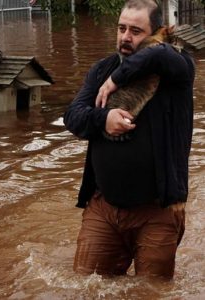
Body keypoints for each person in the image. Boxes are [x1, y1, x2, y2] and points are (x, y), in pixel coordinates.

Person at [63, 0, 195, 279]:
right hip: (104, 207)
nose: (125, 37)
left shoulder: (177, 70)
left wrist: (116, 80)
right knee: (84, 287)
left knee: (151, 292)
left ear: (158, 34)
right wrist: (104, 119)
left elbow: (159, 56)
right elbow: (73, 117)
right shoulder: (101, 69)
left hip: (157, 211)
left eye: (136, 31)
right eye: (121, 28)